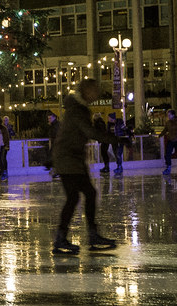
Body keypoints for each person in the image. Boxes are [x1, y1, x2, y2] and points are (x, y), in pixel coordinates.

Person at [52, 79, 124, 254]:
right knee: (74, 197)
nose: (97, 94)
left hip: (73, 159)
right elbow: (89, 132)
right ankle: (61, 239)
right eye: (94, 90)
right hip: (67, 159)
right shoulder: (77, 110)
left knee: (88, 194)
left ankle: (91, 235)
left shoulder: (79, 108)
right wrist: (114, 139)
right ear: (85, 91)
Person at [160, 109, 177, 175]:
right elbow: (165, 130)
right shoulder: (168, 123)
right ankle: (168, 168)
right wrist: (160, 135)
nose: (168, 116)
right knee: (167, 154)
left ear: (173, 115)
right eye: (168, 115)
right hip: (170, 140)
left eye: (169, 115)